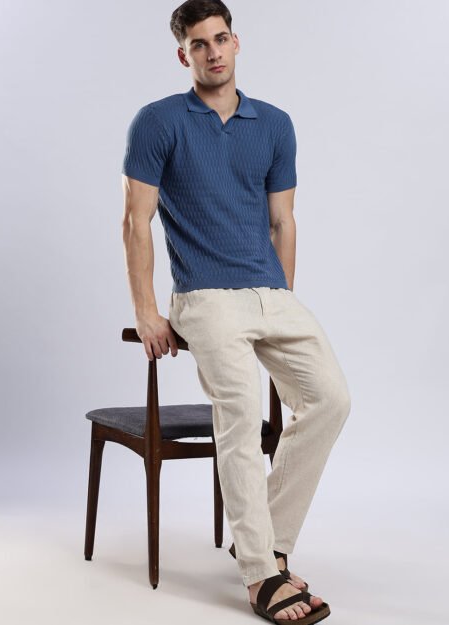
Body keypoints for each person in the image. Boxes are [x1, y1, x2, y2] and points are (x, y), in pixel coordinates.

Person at [121, 1, 351, 622]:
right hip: (204, 295)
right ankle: (260, 574)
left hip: (270, 292)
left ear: (236, 42)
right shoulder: (159, 121)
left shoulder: (274, 123)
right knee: (243, 415)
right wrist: (146, 309)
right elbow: (136, 221)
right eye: (200, 44)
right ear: (184, 55)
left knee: (331, 400)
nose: (213, 52)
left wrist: (284, 297)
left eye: (221, 39)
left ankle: (265, 540)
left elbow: (283, 221)